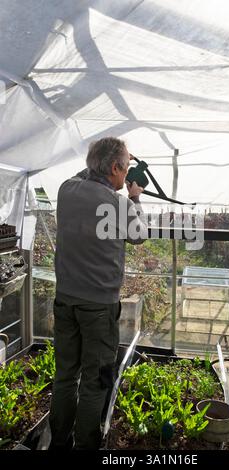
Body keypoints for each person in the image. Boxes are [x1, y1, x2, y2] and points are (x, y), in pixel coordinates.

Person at [49, 137, 147, 450]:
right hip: (99, 308)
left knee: (65, 376)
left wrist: (104, 163)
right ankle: (87, 443)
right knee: (97, 379)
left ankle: (59, 441)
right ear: (116, 168)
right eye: (125, 168)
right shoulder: (119, 204)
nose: (126, 176)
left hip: (65, 300)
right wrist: (135, 199)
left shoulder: (67, 190)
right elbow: (139, 236)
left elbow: (86, 174)